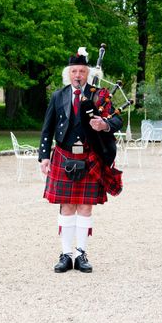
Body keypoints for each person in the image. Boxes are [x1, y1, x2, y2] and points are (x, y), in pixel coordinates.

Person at [39, 48, 123, 274]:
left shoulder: (100, 96)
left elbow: (117, 121)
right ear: (69, 74)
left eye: (82, 71)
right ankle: (66, 255)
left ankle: (81, 254)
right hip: (64, 154)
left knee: (85, 206)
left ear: (88, 73)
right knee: (67, 206)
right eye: (74, 71)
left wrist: (104, 125)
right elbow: (47, 128)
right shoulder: (59, 95)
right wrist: (44, 156)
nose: (78, 75)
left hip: (90, 155)